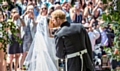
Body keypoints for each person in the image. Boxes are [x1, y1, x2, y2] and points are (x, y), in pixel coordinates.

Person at [23, 4, 58, 71]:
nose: (43, 9)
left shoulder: (49, 18)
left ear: (47, 9)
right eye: (42, 8)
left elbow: (50, 30)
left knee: (47, 54)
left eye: (44, 8)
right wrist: (33, 18)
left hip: (46, 38)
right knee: (40, 55)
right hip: (39, 39)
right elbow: (35, 23)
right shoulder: (38, 17)